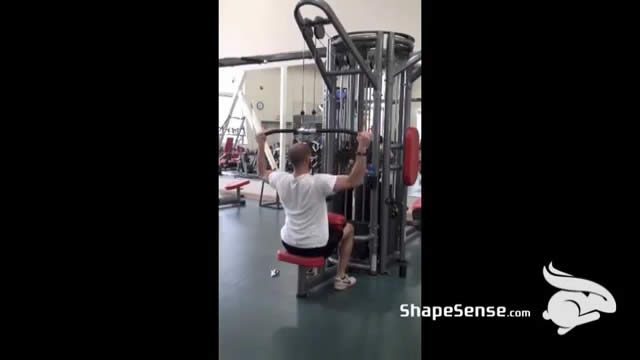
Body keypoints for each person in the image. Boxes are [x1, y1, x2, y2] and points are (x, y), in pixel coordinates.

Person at [256, 130, 372, 290]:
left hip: (288, 242)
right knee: (349, 229)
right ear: (308, 159)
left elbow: (261, 172)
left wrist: (261, 145)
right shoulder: (318, 182)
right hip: (314, 248)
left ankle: (311, 270)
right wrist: (362, 147)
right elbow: (355, 180)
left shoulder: (280, 179)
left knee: (324, 224)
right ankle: (340, 277)